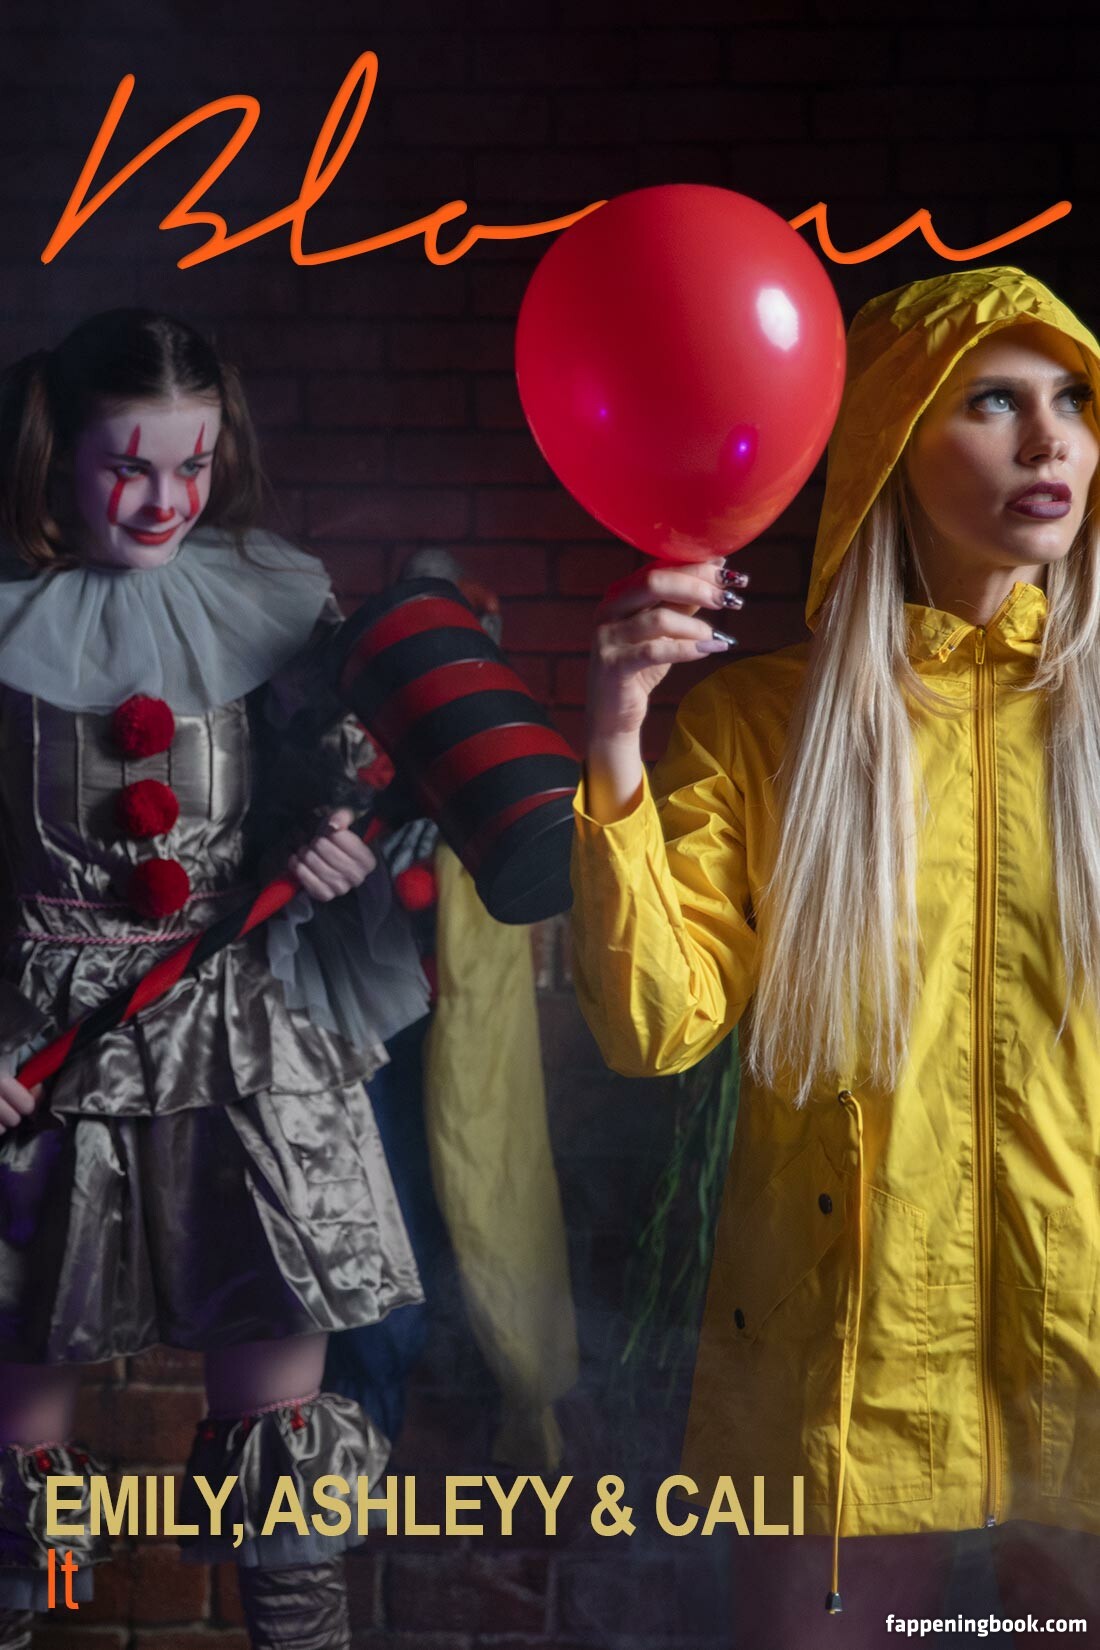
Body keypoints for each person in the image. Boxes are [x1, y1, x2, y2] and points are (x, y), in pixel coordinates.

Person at [571, 267, 1100, 1643]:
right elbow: (656, 1023)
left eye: (1073, 400)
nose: (1050, 441)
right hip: (848, 1334)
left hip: (1085, 1311)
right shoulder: (763, 723)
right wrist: (617, 732)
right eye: (995, 402)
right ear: (888, 444)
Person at [0, 309, 429, 1650]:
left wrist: (331, 845)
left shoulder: (273, 600)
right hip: (42, 1049)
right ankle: (38, 1615)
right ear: (56, 456)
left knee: (285, 1455)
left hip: (247, 1033)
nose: (166, 500)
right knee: (18, 1473)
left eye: (192, 465)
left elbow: (333, 787)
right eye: (128, 466)